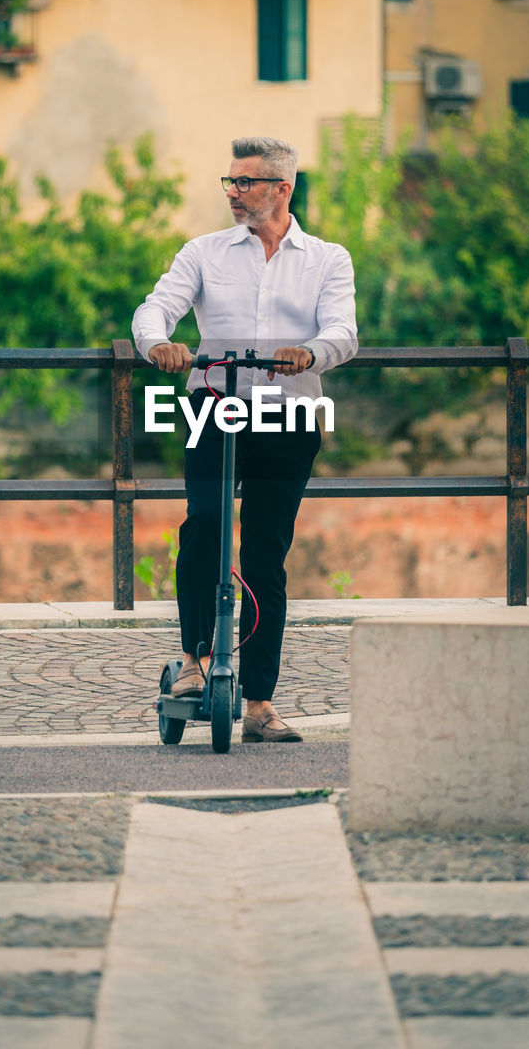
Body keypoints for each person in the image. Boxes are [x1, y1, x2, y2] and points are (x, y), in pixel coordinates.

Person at [132, 136, 357, 743]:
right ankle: (195, 662)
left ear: (282, 188)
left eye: (246, 183)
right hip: (216, 408)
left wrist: (308, 352)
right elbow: (154, 310)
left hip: (287, 418)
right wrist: (159, 345)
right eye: (229, 182)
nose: (233, 193)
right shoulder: (203, 253)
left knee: (265, 555)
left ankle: (259, 702)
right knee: (204, 522)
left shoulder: (327, 259)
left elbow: (343, 332)